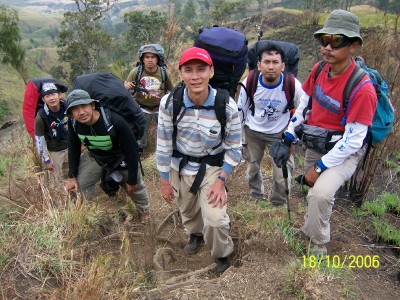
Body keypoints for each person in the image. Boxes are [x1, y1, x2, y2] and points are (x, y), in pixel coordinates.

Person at [270, 10, 377, 255]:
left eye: (337, 41)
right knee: (312, 191)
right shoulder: (320, 70)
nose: (327, 47)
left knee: (320, 193)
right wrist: (288, 137)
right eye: (324, 40)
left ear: (354, 46)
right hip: (317, 140)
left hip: (344, 151)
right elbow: (304, 106)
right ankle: (309, 230)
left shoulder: (362, 89)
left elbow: (353, 141)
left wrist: (318, 168)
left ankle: (317, 245)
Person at [156, 47, 242, 273]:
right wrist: (164, 179)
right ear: (181, 73)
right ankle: (195, 234)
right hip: (180, 165)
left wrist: (221, 180)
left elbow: (234, 148)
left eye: (201, 69)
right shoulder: (170, 103)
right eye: (189, 70)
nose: (195, 76)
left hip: (212, 166)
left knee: (215, 218)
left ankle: (222, 254)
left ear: (211, 72)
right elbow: (163, 143)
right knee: (187, 209)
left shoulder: (225, 105)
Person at [237, 43, 306, 206]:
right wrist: (238, 139)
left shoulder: (293, 85)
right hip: (253, 132)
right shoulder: (250, 81)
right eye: (266, 62)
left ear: (283, 66)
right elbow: (241, 110)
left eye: (275, 62)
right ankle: (256, 198)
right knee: (252, 169)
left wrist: (292, 139)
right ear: (259, 65)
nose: (271, 66)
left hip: (280, 134)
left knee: (282, 174)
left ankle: (279, 204)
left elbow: (302, 111)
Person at [65, 89, 150, 220]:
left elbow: (132, 149)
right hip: (96, 157)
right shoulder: (73, 123)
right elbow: (73, 147)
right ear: (71, 113)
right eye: (75, 109)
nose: (81, 112)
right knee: (80, 186)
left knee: (135, 188)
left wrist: (132, 179)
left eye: (84, 106)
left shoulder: (113, 120)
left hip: (121, 157)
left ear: (93, 105)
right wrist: (72, 175)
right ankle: (84, 215)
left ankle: (145, 214)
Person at [124, 44, 174, 150]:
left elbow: (171, 91)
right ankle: (141, 152)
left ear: (157, 59)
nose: (150, 60)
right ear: (143, 59)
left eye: (153, 57)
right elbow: (127, 90)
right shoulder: (135, 72)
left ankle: (164, 150)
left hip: (160, 109)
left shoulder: (164, 73)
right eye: (147, 57)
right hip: (142, 109)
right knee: (141, 134)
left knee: (165, 133)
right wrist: (126, 87)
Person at [35, 82, 69, 187]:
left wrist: (82, 144)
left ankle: (76, 201)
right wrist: (46, 159)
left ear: (60, 95)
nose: (51, 98)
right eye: (47, 96)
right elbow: (39, 139)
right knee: (56, 181)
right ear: (43, 99)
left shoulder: (69, 108)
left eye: (53, 94)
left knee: (73, 175)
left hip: (71, 147)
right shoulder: (41, 116)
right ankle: (58, 202)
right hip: (55, 151)